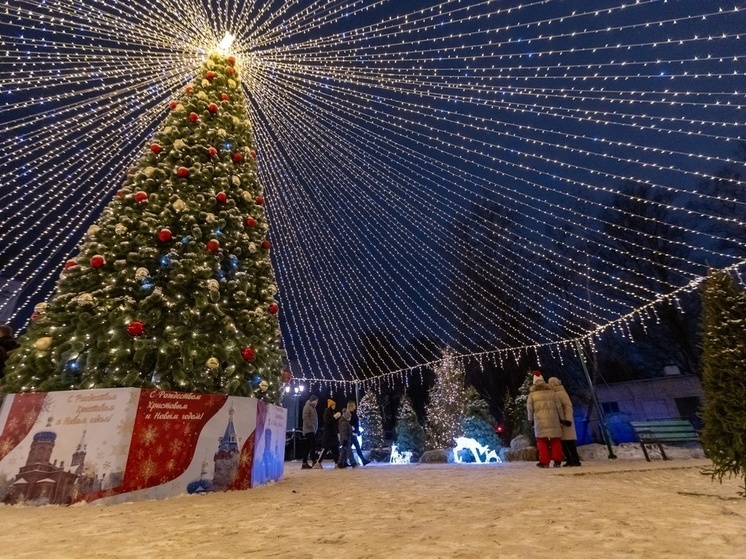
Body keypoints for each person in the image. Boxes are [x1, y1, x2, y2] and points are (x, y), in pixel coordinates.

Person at [526, 371, 565, 468]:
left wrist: (530, 420)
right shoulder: (552, 393)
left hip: (540, 421)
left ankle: (544, 462)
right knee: (555, 440)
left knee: (542, 441)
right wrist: (562, 418)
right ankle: (557, 461)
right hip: (553, 419)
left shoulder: (532, 395)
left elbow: (530, 409)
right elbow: (559, 407)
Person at [548, 377, 581, 467]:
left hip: (565, 421)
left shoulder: (561, 393)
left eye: (552, 383)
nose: (551, 384)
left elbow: (568, 406)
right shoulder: (553, 394)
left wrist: (568, 419)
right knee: (563, 442)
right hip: (559, 421)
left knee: (569, 441)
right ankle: (570, 459)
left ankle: (575, 459)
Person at [313, 399, 341, 469]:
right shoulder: (327, 412)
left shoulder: (332, 412)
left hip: (333, 434)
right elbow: (327, 422)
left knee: (335, 449)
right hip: (328, 434)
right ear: (331, 405)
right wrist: (334, 417)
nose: (335, 406)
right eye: (333, 405)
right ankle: (318, 463)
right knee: (326, 449)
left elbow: (334, 423)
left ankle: (337, 463)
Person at [346, 400, 369, 466]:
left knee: (352, 448)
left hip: (354, 433)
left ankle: (363, 460)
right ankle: (344, 461)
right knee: (350, 448)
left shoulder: (352, 413)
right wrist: (353, 429)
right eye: (354, 405)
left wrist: (357, 431)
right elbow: (350, 423)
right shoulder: (350, 414)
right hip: (352, 434)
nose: (355, 406)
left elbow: (355, 424)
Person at [301, 395, 319, 469]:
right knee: (313, 444)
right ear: (313, 400)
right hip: (309, 430)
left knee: (308, 446)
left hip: (312, 429)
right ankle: (313, 460)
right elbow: (305, 417)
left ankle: (304, 462)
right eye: (316, 401)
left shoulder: (312, 408)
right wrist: (311, 425)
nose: (317, 403)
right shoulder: (307, 407)